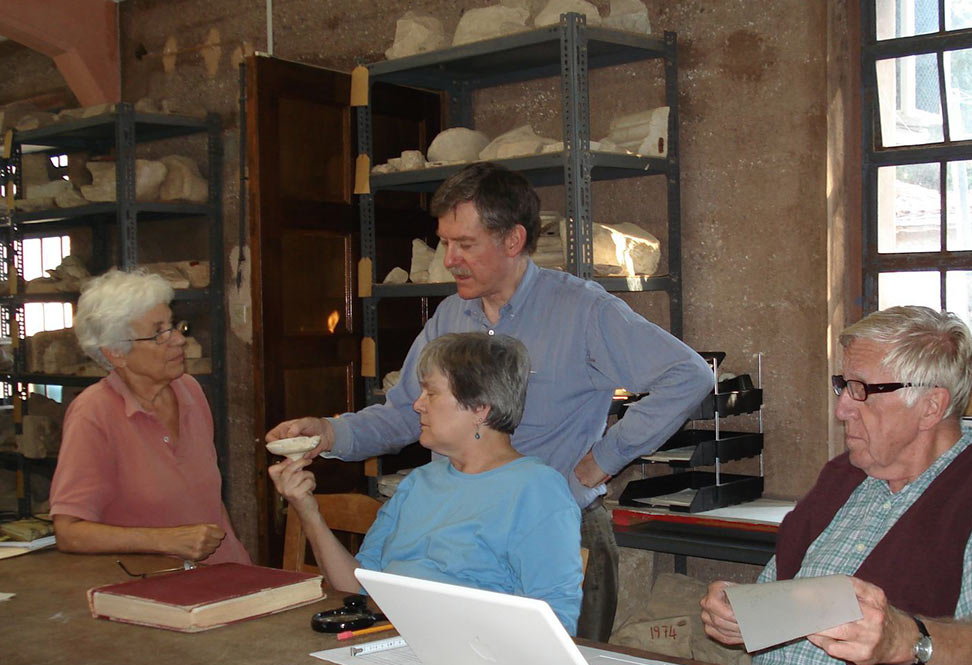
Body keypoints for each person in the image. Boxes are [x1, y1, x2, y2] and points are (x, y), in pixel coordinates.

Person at [267, 161, 714, 640]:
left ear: (512, 240)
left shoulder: (582, 310)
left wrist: (598, 464)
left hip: (558, 532)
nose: (449, 259)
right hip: (464, 537)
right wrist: (329, 432)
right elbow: (403, 412)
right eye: (445, 242)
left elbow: (687, 375)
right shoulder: (449, 316)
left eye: (465, 244)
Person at [700, 306, 972, 665]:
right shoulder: (843, 478)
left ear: (931, 406)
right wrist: (741, 613)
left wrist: (901, 640)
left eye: (861, 389)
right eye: (842, 385)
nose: (842, 408)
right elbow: (778, 599)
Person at [269, 333, 583, 633]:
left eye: (430, 393)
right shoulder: (418, 483)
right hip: (394, 650)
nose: (418, 405)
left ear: (479, 408)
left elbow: (557, 622)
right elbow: (358, 588)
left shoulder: (536, 490)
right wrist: (307, 510)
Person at [50, 269, 250, 565]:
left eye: (173, 326)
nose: (178, 341)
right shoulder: (94, 413)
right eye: (159, 333)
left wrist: (238, 564)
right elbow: (69, 532)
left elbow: (208, 502)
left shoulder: (190, 391)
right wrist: (165, 540)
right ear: (117, 353)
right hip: (153, 585)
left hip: (223, 573)